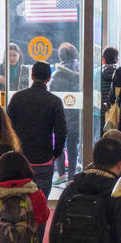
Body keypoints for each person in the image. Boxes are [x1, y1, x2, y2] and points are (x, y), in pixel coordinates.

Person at [7, 61, 68, 197]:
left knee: (19, 201)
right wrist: (55, 153)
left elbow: (7, 126)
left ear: (32, 76)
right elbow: (61, 131)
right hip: (44, 158)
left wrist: (11, 149)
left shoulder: (18, 97)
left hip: (20, 157)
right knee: (40, 202)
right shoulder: (54, 101)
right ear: (49, 78)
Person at [48, 43, 82, 181]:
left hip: (60, 114)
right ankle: (72, 176)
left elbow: (52, 94)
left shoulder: (57, 74)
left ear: (61, 55)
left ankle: (61, 173)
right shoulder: (82, 71)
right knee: (73, 145)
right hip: (76, 113)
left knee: (60, 143)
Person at [99, 45, 120, 114]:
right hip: (115, 110)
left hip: (101, 108)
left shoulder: (97, 73)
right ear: (117, 60)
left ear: (103, 60)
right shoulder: (120, 73)